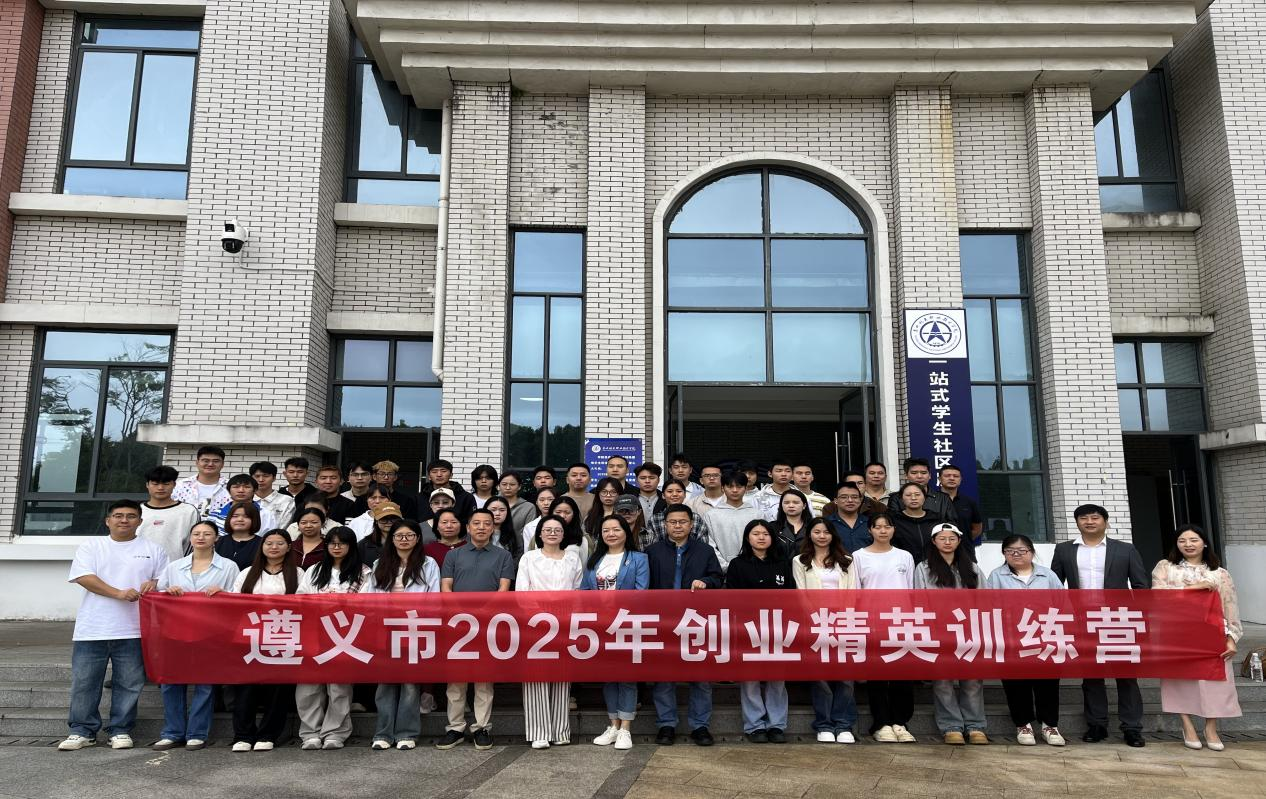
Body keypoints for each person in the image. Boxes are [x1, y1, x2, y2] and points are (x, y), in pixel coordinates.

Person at [59, 499, 169, 752]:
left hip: (135, 629)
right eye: (118, 515)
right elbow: (84, 577)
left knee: (129, 684)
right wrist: (118, 593)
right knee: (85, 683)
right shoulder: (92, 546)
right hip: (93, 627)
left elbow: (164, 579)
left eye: (131, 516)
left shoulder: (154, 549)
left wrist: (154, 583)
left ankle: (120, 730)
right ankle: (81, 731)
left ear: (140, 521)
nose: (124, 520)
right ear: (108, 520)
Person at [1050, 504, 1150, 747]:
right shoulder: (1064, 550)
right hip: (1082, 620)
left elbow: (1141, 586)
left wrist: (1140, 617)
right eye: (1083, 518)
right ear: (1077, 523)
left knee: (1126, 675)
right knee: (1092, 674)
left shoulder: (1125, 549)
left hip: (1118, 619)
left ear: (1105, 521)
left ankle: (1132, 728)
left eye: (1095, 517)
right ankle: (1097, 725)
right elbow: (1054, 585)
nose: (1089, 522)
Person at [151, 520, 239, 751]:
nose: (201, 537)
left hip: (210, 633)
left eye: (207, 534)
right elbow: (159, 594)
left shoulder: (228, 566)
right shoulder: (174, 566)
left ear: (216, 538)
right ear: (190, 538)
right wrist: (168, 591)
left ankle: (197, 733)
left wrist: (224, 593)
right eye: (196, 533)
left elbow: (237, 597)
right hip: (175, 631)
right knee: (171, 682)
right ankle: (172, 732)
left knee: (205, 684)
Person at [1152, 524, 1242, 750]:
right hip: (1176, 634)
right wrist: (1196, 588)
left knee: (1214, 683)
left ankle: (1211, 728)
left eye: (1193, 540)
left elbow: (1230, 607)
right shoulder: (1165, 568)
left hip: (1212, 635)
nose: (1188, 545)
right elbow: (1158, 596)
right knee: (1179, 681)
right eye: (1182, 540)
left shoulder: (1220, 573)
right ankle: (1187, 725)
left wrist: (1231, 638)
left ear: (1204, 543)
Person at [437, 508, 516, 750]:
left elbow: (504, 590)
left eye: (487, 523)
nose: (481, 527)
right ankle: (455, 728)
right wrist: (463, 615)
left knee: (484, 680)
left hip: (488, 624)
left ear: (493, 528)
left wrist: (481, 614)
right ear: (468, 527)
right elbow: (446, 588)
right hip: (458, 625)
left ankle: (482, 727)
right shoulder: (453, 555)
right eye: (476, 523)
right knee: (456, 680)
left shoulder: (503, 556)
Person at [645, 504, 723, 746]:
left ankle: (700, 726)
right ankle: (666, 724)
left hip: (696, 620)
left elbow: (718, 578)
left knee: (700, 676)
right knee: (664, 676)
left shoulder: (705, 551)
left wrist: (706, 582)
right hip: (663, 622)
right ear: (664, 525)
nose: (677, 526)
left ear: (691, 524)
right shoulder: (652, 551)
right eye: (672, 522)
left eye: (682, 522)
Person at [363, 519, 441, 750]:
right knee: (385, 682)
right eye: (399, 536)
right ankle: (383, 733)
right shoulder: (380, 563)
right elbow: (371, 597)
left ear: (418, 538)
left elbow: (434, 597)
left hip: (414, 626)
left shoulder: (428, 564)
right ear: (392, 539)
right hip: (385, 627)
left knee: (410, 682)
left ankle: (407, 733)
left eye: (409, 535)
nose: (404, 539)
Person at [294, 526, 371, 751]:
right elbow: (301, 598)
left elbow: (367, 603)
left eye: (342, 543)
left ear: (351, 546)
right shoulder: (315, 570)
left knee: (339, 687)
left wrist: (337, 604)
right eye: (332, 543)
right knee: (308, 686)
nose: (337, 547)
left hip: (345, 635)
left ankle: (335, 732)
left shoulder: (364, 572)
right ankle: (310, 732)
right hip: (314, 633)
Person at [985, 534, 1066, 747]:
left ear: (1032, 552)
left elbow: (1063, 603)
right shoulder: (996, 576)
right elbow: (990, 606)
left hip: (1045, 635)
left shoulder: (1047, 575)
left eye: (1022, 550)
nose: (1016, 554)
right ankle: (1023, 724)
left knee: (1047, 682)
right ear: (1004, 554)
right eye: (1010, 551)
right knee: (1015, 682)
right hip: (1012, 638)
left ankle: (1050, 725)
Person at [914, 522, 988, 745]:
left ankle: (975, 726)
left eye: (952, 538)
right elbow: (920, 600)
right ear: (934, 541)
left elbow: (985, 599)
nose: (947, 542)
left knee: (972, 680)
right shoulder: (924, 568)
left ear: (959, 541)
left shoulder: (972, 567)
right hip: (939, 631)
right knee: (943, 681)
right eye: (942, 538)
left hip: (969, 631)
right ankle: (951, 726)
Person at [516, 515, 584, 749]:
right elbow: (522, 592)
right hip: (535, 621)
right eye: (548, 529)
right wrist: (540, 617)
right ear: (540, 534)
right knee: (536, 676)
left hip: (566, 621)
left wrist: (568, 617)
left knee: (562, 676)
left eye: (557, 529)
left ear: (564, 534)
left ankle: (560, 730)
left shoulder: (573, 558)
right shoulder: (529, 558)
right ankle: (539, 732)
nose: (552, 533)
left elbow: (577, 590)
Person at [724, 519, 794, 743]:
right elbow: (731, 597)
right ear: (748, 537)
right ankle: (754, 725)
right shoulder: (737, 564)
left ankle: (777, 725)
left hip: (777, 628)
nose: (761, 537)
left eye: (765, 533)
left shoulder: (782, 563)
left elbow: (791, 595)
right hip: (748, 628)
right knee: (750, 678)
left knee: (777, 677)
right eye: (756, 533)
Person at [582, 515, 648, 751]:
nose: (611, 534)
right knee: (609, 676)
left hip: (627, 624)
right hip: (601, 627)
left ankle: (625, 728)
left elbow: (641, 592)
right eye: (606, 530)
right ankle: (613, 725)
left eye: (616, 529)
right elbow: (585, 591)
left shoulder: (638, 558)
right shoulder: (594, 559)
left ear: (625, 532)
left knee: (627, 676)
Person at [230, 529, 300, 752]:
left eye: (280, 543)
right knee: (246, 688)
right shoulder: (247, 573)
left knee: (277, 689)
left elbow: (304, 603)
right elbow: (234, 602)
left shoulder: (298, 573)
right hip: (250, 637)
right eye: (269, 543)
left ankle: (268, 734)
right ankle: (243, 734)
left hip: (283, 637)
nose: (274, 547)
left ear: (289, 547)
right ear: (262, 546)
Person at [791, 517, 859, 744]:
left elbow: (852, 591)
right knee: (820, 677)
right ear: (809, 534)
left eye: (826, 532)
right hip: (814, 623)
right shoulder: (800, 561)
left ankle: (843, 724)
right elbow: (801, 594)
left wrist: (843, 619)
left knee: (846, 677)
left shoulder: (847, 560)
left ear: (833, 535)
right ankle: (824, 724)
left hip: (844, 621)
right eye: (817, 532)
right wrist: (817, 619)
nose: (822, 536)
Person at [852, 512, 916, 743]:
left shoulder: (904, 556)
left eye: (887, 526)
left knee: (902, 674)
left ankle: (900, 722)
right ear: (870, 530)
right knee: (877, 674)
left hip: (901, 621)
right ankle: (881, 723)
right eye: (877, 527)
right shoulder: (858, 556)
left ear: (893, 529)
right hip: (872, 622)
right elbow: (856, 591)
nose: (882, 531)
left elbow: (911, 590)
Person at [139, 465, 200, 562]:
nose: (160, 488)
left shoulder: (189, 511)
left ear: (174, 484)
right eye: (155, 484)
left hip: (176, 567)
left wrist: (183, 565)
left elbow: (194, 543)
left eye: (166, 484)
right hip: (140, 566)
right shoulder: (136, 511)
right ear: (147, 485)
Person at [703, 470, 762, 570]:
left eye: (739, 486)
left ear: (745, 488)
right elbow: (709, 545)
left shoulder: (757, 514)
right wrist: (726, 566)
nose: (735, 490)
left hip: (754, 568)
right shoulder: (711, 515)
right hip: (722, 571)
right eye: (730, 487)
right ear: (723, 488)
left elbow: (763, 542)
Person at [887, 457, 958, 524]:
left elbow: (952, 523)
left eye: (923, 473)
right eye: (914, 473)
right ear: (906, 476)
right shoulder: (896, 498)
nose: (919, 476)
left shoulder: (943, 498)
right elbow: (893, 523)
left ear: (930, 475)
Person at [646, 479, 712, 549]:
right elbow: (652, 548)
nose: (674, 494)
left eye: (679, 491)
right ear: (663, 495)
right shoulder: (655, 519)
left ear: (685, 494)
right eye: (670, 491)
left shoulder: (695, 518)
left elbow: (703, 547)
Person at [171, 446, 230, 523]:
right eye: (206, 460)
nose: (210, 464)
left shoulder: (231, 487)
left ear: (222, 464)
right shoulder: (180, 486)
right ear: (197, 462)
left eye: (216, 461)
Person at [890, 482, 942, 562]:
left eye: (917, 494)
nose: (913, 498)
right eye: (908, 495)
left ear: (924, 497)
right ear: (901, 498)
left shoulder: (936, 519)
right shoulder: (894, 520)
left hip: (933, 564)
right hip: (903, 564)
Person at [209, 474, 278, 533]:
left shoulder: (265, 514)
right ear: (228, 490)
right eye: (236, 487)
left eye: (247, 487)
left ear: (255, 490)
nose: (241, 490)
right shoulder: (215, 514)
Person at [938, 464, 982, 545]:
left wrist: (962, 540)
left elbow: (977, 528)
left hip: (965, 549)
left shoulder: (969, 502)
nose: (952, 478)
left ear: (961, 479)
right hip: (936, 549)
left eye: (956, 476)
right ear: (939, 479)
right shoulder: (930, 500)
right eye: (947, 476)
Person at [213, 501, 263, 570]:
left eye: (246, 516)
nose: (240, 519)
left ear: (254, 520)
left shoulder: (262, 543)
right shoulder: (218, 541)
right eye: (235, 516)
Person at [824, 482, 871, 553]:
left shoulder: (870, 523)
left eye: (854, 497)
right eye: (844, 497)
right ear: (836, 501)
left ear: (860, 500)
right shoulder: (827, 524)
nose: (850, 500)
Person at [251, 461, 296, 527]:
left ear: (274, 478)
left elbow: (284, 526)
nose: (261, 480)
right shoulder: (245, 500)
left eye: (266, 476)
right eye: (257, 476)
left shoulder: (286, 501)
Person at [769, 488, 811, 557]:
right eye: (786, 503)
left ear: (804, 506)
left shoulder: (812, 526)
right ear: (781, 505)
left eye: (796, 502)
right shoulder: (772, 527)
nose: (791, 506)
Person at [357, 501, 402, 566]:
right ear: (376, 521)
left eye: (394, 519)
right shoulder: (363, 545)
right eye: (384, 519)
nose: (389, 522)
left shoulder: (410, 541)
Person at [486, 495, 524, 562]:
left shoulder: (515, 536)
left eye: (502, 510)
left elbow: (516, 559)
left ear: (507, 512)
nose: (497, 513)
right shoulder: (477, 533)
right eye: (493, 510)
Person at [520, 487, 558, 553]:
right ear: (536, 502)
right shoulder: (529, 527)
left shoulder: (564, 522)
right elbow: (527, 552)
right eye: (542, 500)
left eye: (550, 499)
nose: (546, 503)